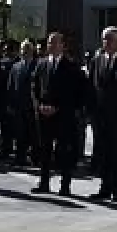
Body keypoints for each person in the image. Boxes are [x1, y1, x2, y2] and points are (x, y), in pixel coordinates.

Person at [32, 32, 83, 196]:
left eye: (55, 43)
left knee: (64, 151)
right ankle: (44, 182)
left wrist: (57, 107)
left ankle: (65, 185)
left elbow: (73, 92)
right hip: (44, 114)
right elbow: (35, 87)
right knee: (44, 150)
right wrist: (39, 105)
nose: (52, 46)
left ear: (63, 45)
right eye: (49, 43)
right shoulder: (41, 64)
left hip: (62, 115)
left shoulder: (70, 66)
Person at [88, 26, 117, 201]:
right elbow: (92, 87)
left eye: (110, 39)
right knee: (102, 151)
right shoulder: (96, 60)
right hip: (100, 115)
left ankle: (116, 187)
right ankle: (104, 186)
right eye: (104, 39)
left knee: (116, 152)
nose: (107, 42)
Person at [6, 40, 39, 168]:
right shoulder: (16, 66)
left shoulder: (38, 65)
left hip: (32, 106)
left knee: (33, 134)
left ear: (32, 51)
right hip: (19, 106)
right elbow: (11, 85)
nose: (24, 52)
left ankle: (35, 158)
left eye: (27, 49)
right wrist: (10, 103)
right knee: (19, 133)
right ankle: (20, 157)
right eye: (22, 50)